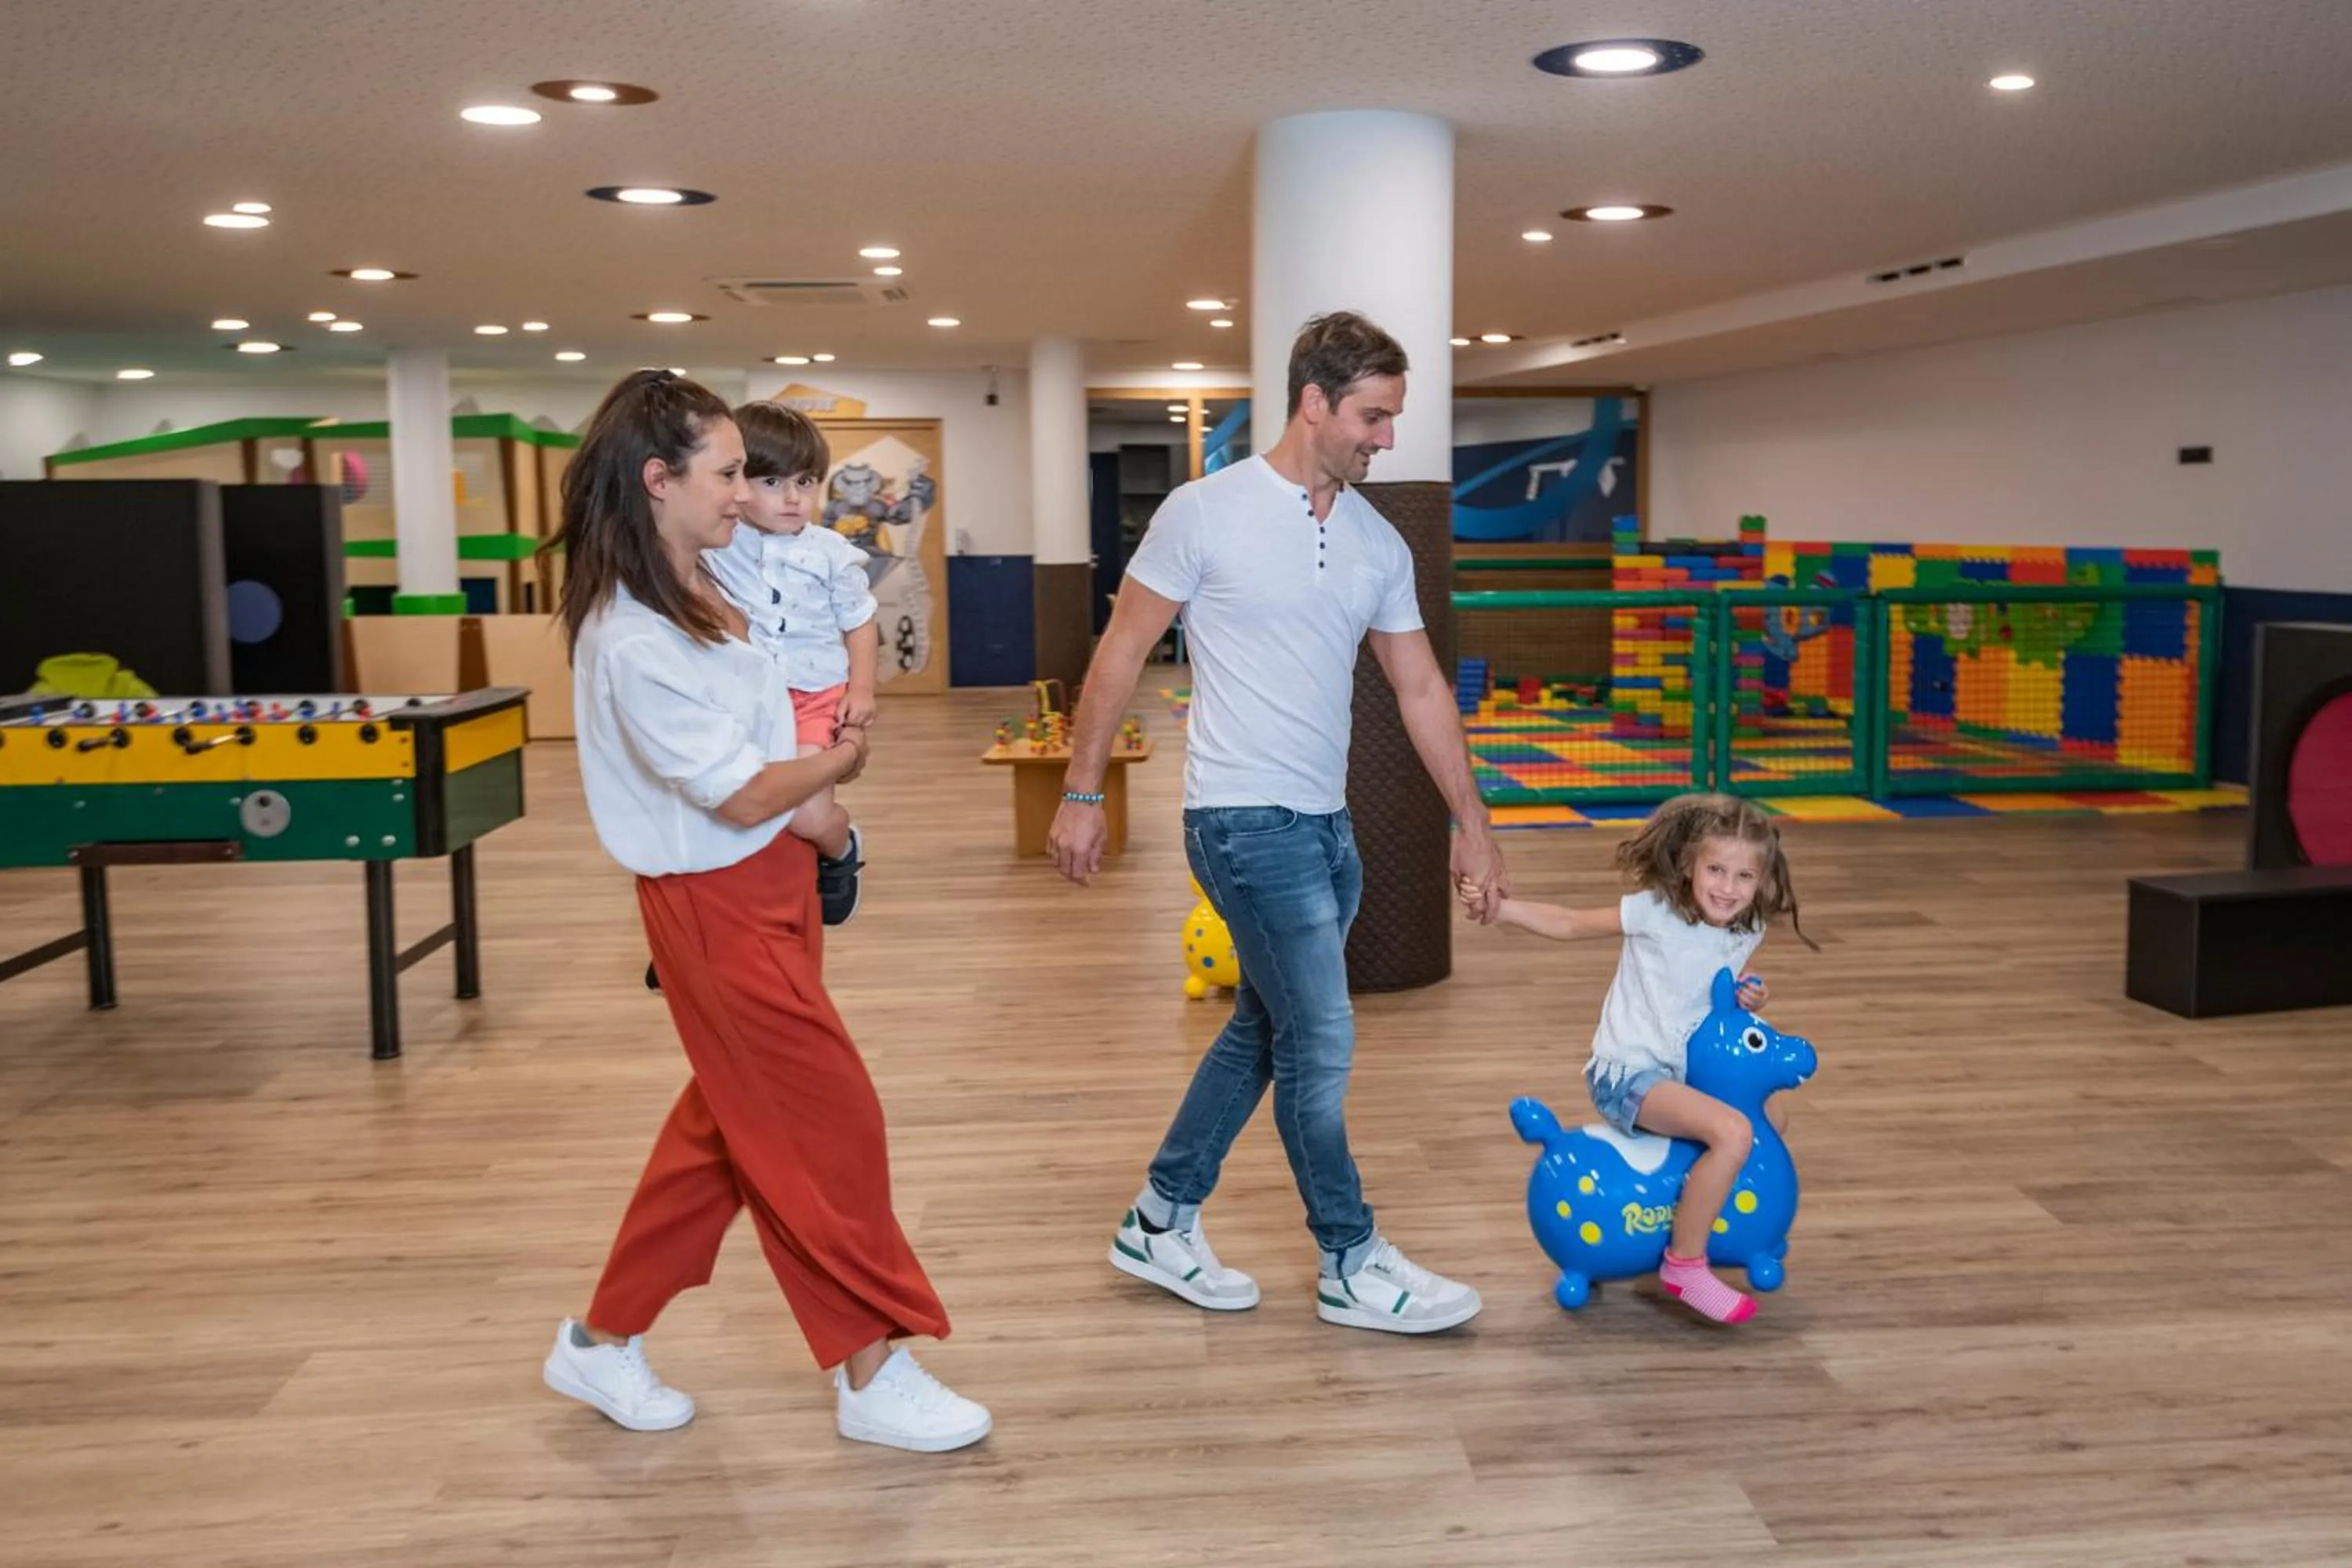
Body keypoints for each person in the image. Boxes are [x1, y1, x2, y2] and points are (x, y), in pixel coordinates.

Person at [537, 369, 988, 1451]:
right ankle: (872, 1369)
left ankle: (600, 1344)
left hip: (773, 884)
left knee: (728, 1133)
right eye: (730, 472)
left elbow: (768, 743)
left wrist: (821, 818)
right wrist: (835, 782)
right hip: (715, 900)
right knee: (827, 1123)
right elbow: (740, 790)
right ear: (661, 480)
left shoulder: (698, 587)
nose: (747, 494)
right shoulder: (633, 635)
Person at [1049, 311, 1510, 1334]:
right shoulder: (1202, 513)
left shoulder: (1375, 541)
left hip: (1328, 829)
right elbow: (1122, 651)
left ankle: (1160, 1218)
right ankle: (1350, 1257)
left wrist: (1470, 825)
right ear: (1314, 403)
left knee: (1269, 1027)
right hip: (1239, 819)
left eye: (1393, 419)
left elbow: (1423, 687)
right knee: (1324, 1040)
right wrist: (1083, 789)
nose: (1387, 439)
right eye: (1373, 417)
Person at [1468, 792, 1815, 1324]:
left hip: (1685, 1076)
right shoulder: (1656, 912)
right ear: (1688, 865)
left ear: (1763, 880)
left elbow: (1712, 997)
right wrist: (1503, 908)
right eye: (1716, 870)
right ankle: (1686, 1264)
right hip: (1628, 1075)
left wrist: (1753, 997)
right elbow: (1570, 923)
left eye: (1744, 877)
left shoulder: (1748, 930)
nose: (1727, 887)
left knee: (1774, 1119)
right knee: (1734, 1134)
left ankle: (1734, 1226)